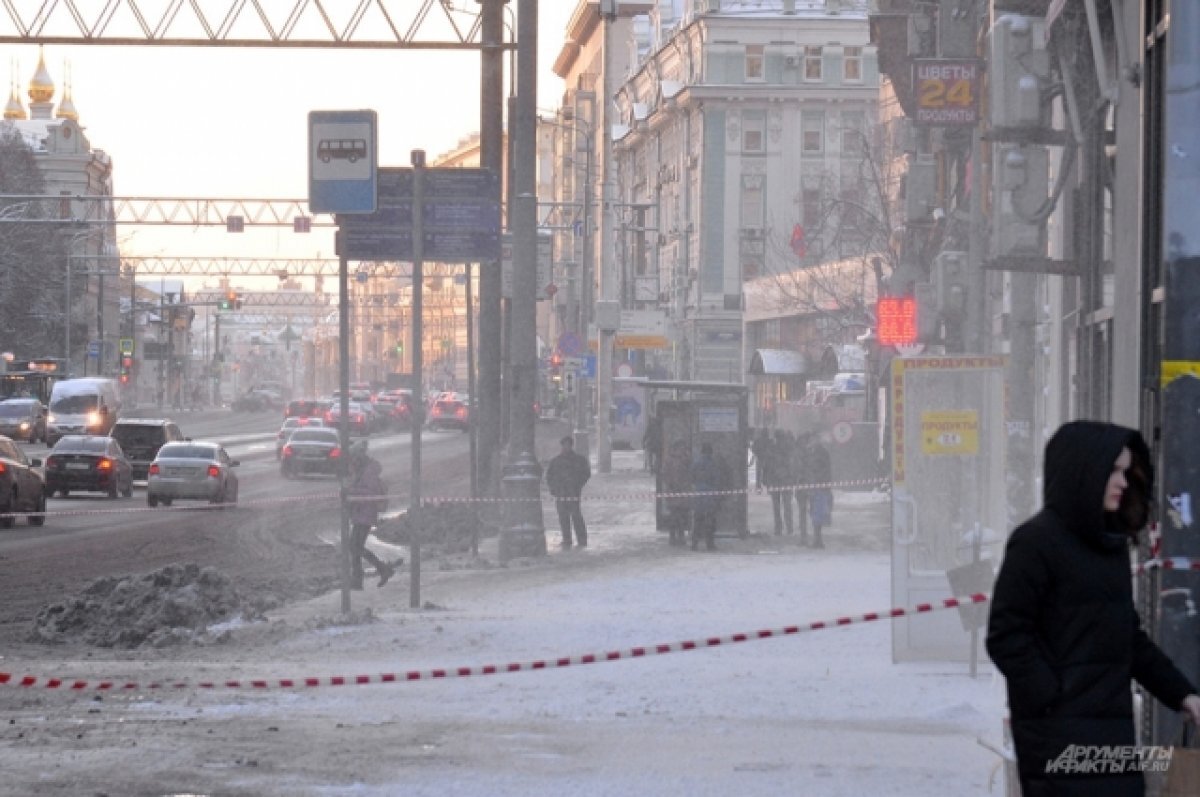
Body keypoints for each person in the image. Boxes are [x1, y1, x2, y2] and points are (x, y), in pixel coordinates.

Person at [986, 421, 1200, 796]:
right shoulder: (1036, 543)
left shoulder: (1109, 549)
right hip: (1056, 741)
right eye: (1113, 471)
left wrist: (1183, 694)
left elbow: (1128, 640)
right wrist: (1052, 696)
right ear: (1083, 472)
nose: (1122, 482)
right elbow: (1006, 635)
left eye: (1126, 471)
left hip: (1111, 733)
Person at [346, 445, 396, 589]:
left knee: (355, 546)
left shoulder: (368, 472)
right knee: (355, 546)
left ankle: (376, 572)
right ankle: (365, 576)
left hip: (366, 513)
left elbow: (369, 494)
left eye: (354, 459)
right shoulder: (363, 471)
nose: (352, 462)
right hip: (361, 513)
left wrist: (351, 492)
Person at [546, 435, 591, 549]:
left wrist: (577, 484)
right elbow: (549, 476)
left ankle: (582, 539)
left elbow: (586, 474)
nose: (566, 447)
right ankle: (567, 539)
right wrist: (554, 488)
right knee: (563, 517)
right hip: (561, 493)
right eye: (564, 445)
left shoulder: (579, 460)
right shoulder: (556, 461)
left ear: (571, 446)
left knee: (576, 516)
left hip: (573, 492)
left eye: (568, 445)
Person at [690, 442, 727, 551]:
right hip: (710, 494)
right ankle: (709, 543)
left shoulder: (696, 463)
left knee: (698, 519)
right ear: (710, 452)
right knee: (710, 520)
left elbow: (691, 476)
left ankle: (694, 543)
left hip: (698, 494)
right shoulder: (712, 464)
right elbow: (717, 479)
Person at [660, 439, 693, 547]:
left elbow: (690, 473)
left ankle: (680, 535)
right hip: (674, 491)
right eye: (681, 447)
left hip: (683, 492)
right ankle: (673, 536)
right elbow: (665, 475)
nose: (683, 449)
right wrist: (671, 484)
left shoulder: (686, 459)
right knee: (675, 515)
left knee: (682, 514)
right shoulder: (670, 460)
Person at [764, 430, 793, 536]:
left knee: (777, 506)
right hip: (785, 480)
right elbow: (792, 465)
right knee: (786, 505)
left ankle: (779, 528)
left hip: (776, 480)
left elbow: (767, 466)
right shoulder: (788, 449)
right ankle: (788, 527)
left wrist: (766, 480)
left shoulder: (772, 450)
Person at [805, 434, 832, 549]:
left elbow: (817, 470)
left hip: (819, 487)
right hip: (818, 486)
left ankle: (818, 540)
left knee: (817, 513)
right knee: (816, 513)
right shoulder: (818, 453)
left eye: (812, 440)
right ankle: (817, 539)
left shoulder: (819, 454)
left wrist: (815, 481)